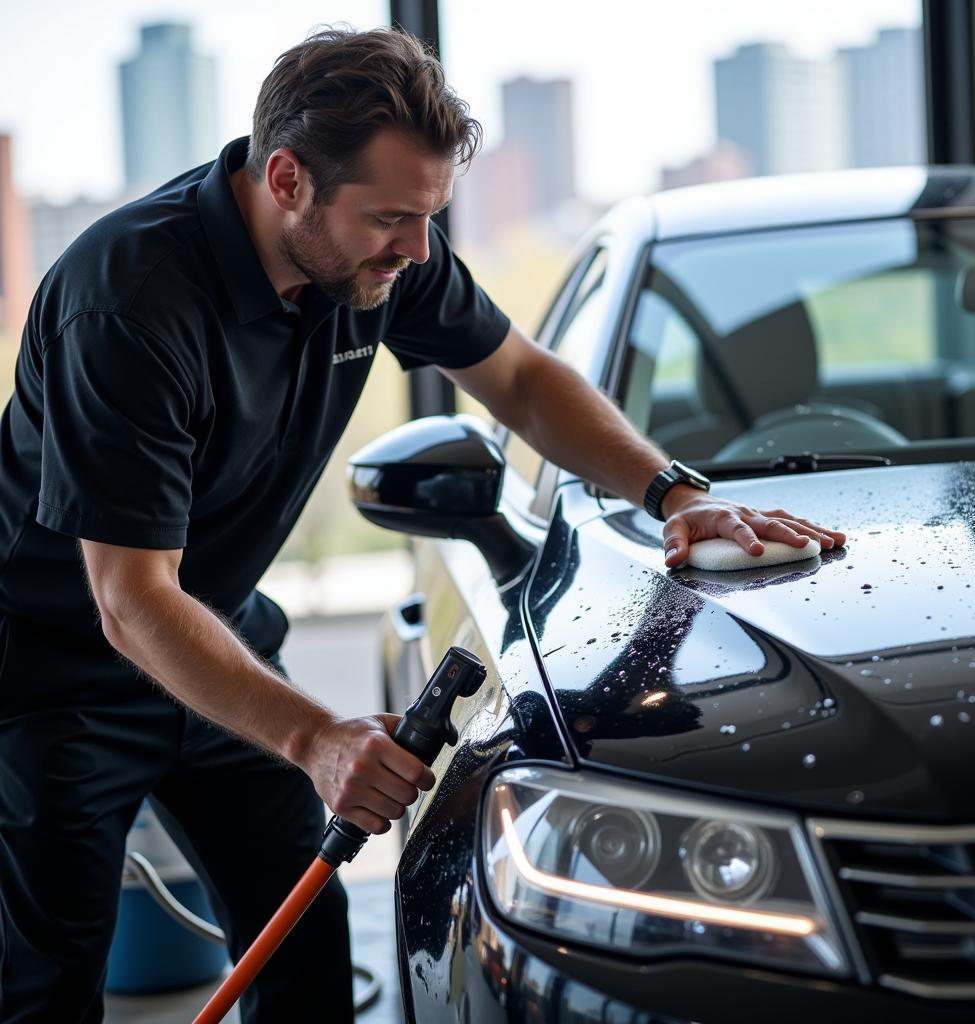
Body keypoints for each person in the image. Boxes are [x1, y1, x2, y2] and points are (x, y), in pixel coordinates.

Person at [0, 26, 845, 1024]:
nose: (416, 247)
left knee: (304, 951)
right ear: (286, 179)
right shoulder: (130, 302)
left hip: (217, 629)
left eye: (430, 215)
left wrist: (677, 491)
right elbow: (132, 602)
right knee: (47, 989)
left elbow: (522, 382)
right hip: (59, 675)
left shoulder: (379, 255)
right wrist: (315, 737)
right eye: (392, 218)